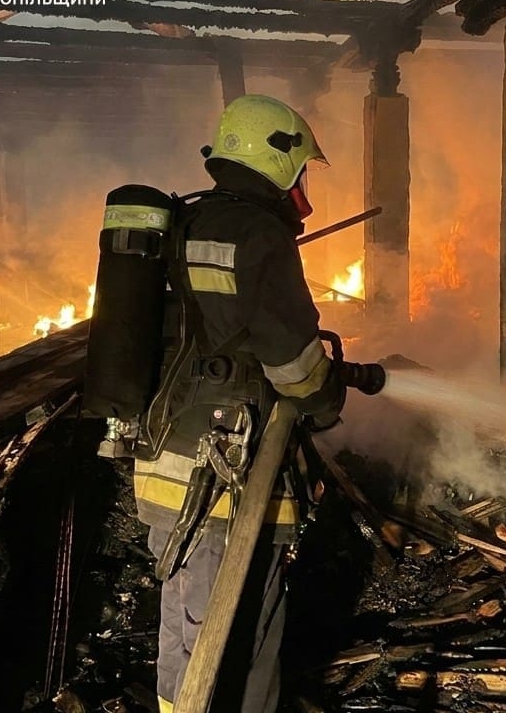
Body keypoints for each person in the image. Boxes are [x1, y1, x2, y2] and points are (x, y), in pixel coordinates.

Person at [133, 95, 349, 713]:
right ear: (277, 159)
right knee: (238, 641)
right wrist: (327, 402)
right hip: (226, 479)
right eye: (301, 170)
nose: (303, 185)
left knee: (184, 628)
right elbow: (295, 366)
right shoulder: (259, 235)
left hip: (163, 462)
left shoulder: (183, 221)